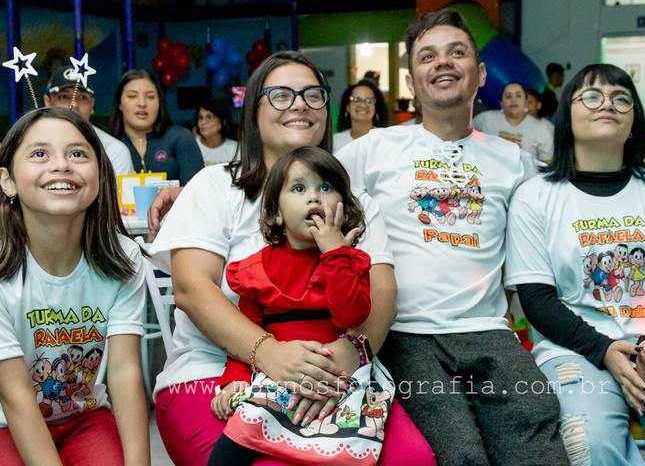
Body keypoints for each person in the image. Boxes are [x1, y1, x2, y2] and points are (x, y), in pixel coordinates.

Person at [148, 51, 435, 466]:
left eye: (312, 95)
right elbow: (192, 289)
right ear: (254, 110)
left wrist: (346, 358)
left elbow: (383, 293)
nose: (299, 104)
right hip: (215, 376)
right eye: (281, 95)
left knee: (414, 460)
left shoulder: (353, 201)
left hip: (338, 372)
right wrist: (269, 354)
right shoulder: (216, 187)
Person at [336, 8, 567, 466]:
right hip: (405, 333)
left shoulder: (513, 160)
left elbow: (567, 210)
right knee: (458, 452)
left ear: (480, 74)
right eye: (428, 56)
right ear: (411, 80)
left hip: (488, 331)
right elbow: (299, 190)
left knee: (536, 416)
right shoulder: (373, 149)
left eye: (456, 52)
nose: (442, 62)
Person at [506, 63, 645, 465]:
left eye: (621, 98)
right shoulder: (535, 196)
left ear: (633, 122)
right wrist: (604, 349)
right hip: (575, 350)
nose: (607, 104)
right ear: (567, 116)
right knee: (588, 449)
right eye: (592, 96)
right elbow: (537, 299)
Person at [208, 146, 379, 464]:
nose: (314, 198)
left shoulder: (351, 262)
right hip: (278, 377)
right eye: (299, 189)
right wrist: (235, 380)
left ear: (344, 208)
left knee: (351, 447)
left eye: (325, 187)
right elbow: (248, 337)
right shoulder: (254, 270)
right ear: (276, 213)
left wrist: (334, 254)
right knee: (231, 448)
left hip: (339, 379)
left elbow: (352, 316)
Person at [0, 107, 149, 465]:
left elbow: (124, 372)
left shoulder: (123, 257)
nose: (61, 165)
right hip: (6, 421)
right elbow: (15, 395)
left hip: (85, 417)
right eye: (40, 153)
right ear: (7, 181)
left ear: (100, 175)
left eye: (78, 154)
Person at [109, 69, 203, 185]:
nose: (142, 103)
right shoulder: (109, 146)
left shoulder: (180, 137)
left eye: (150, 97)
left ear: (159, 102)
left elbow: (199, 191)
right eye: (132, 96)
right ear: (119, 104)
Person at [44, 65, 134, 179]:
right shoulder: (30, 144)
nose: (74, 105)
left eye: (82, 97)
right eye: (63, 97)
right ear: (48, 102)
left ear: (92, 105)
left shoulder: (113, 151)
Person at [473, 82, 554, 164]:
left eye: (518, 96)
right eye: (508, 96)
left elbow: (547, 162)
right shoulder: (486, 119)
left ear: (526, 102)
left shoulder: (541, 128)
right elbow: (467, 137)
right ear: (501, 103)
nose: (513, 100)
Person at [333, 79, 389, 152]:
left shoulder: (386, 140)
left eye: (369, 101)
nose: (363, 105)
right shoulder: (335, 142)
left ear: (376, 108)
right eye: (356, 100)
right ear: (348, 107)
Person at [195, 99, 239, 166]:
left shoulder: (235, 149)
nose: (203, 122)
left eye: (209, 117)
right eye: (200, 117)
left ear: (224, 121)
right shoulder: (192, 146)